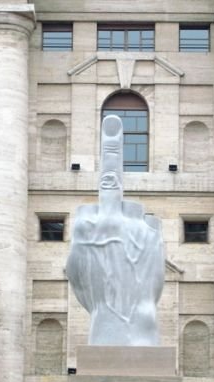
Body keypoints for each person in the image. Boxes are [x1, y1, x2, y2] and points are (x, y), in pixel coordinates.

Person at [66, 115, 164, 346]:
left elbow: (79, 282)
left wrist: (106, 311)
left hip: (110, 332)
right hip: (142, 335)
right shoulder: (146, 240)